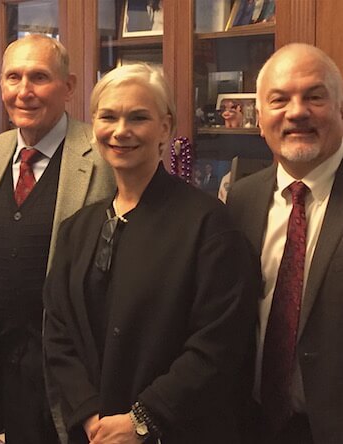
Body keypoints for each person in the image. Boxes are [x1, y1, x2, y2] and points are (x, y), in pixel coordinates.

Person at [43, 63, 258, 444]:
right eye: (108, 116)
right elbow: (59, 333)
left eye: (138, 117)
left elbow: (219, 343)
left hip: (174, 430)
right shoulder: (77, 229)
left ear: (165, 127)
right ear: (94, 125)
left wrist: (142, 419)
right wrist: (90, 414)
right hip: (95, 433)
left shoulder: (209, 225)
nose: (121, 130)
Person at [0, 34, 115, 443]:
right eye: (13, 78)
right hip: (3, 369)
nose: (24, 91)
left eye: (39, 77)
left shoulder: (103, 156)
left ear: (69, 87)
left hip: (77, 373)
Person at [227, 43, 343, 444]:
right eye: (279, 100)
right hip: (251, 422)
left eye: (314, 96)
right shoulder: (240, 200)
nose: (296, 112)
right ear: (259, 119)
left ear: (339, 108)